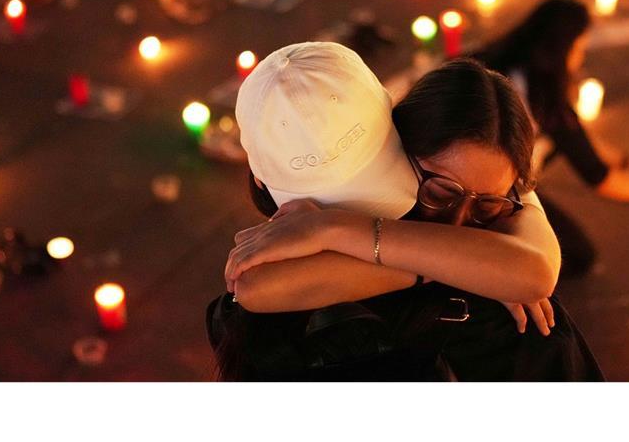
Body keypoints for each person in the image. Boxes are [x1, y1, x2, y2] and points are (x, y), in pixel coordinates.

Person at [212, 43, 602, 381]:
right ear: (398, 133)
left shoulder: (502, 214)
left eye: (487, 204)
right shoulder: (484, 298)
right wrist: (469, 263)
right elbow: (255, 288)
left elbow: (533, 273)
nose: (459, 220)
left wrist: (331, 227)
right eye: (441, 189)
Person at [474, 0, 629, 213]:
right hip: (496, 194)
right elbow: (596, 175)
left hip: (457, 173)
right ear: (561, 50)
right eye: (578, 49)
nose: (580, 58)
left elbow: (579, 136)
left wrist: (624, 161)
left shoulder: (491, 59)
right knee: (577, 248)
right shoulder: (542, 97)